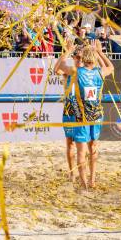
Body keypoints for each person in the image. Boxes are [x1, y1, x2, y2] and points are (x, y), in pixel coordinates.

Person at [73, 39, 113, 190]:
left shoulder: (77, 72)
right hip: (96, 115)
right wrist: (100, 52)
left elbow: (59, 69)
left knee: (81, 151)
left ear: (83, 59)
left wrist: (73, 52)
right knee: (93, 148)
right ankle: (93, 180)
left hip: (82, 115)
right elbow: (110, 67)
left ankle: (84, 185)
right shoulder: (100, 72)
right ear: (94, 58)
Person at [53, 40, 83, 182]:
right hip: (69, 110)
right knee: (70, 143)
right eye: (76, 57)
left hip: (83, 111)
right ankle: (72, 173)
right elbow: (56, 69)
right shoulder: (69, 71)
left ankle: (83, 173)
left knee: (83, 145)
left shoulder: (88, 71)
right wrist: (68, 51)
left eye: (81, 57)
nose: (78, 59)